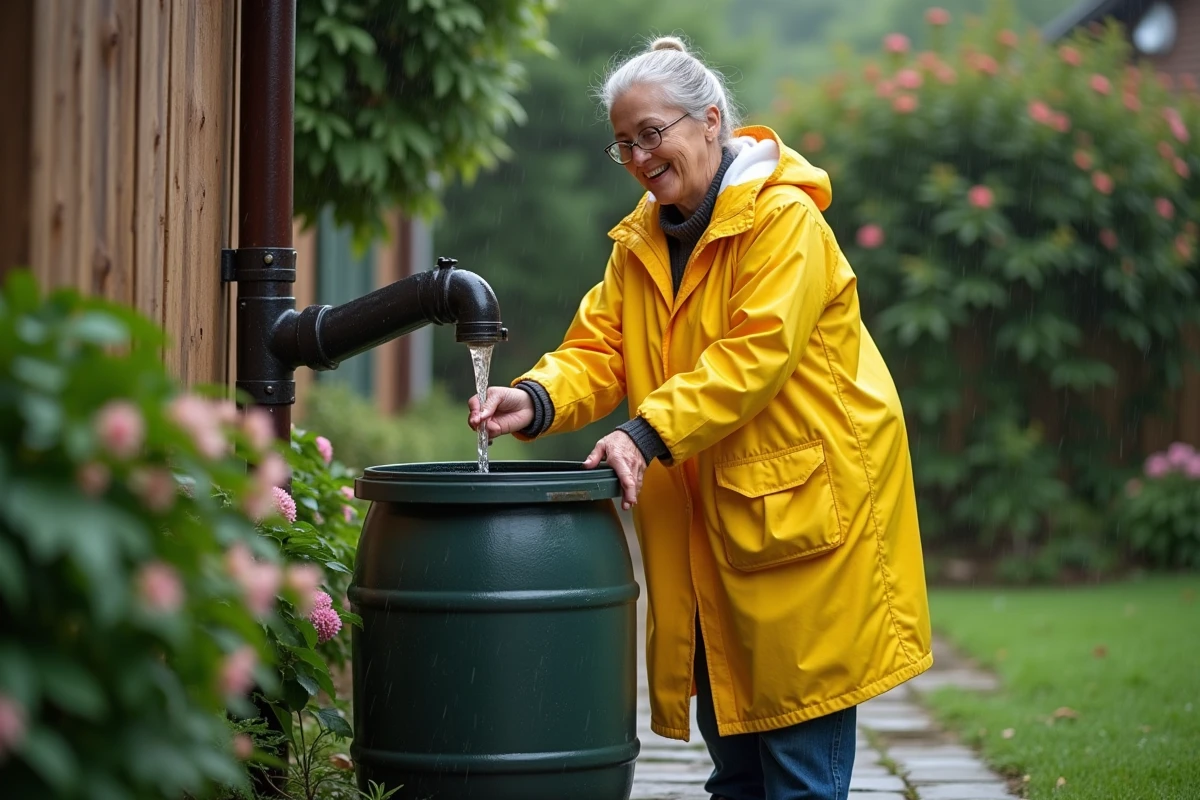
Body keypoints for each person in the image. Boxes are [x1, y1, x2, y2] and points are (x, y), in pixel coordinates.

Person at [467, 34, 932, 800]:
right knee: (738, 776)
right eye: (624, 144)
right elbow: (600, 346)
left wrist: (642, 432)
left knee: (799, 777)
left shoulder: (785, 223)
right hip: (708, 532)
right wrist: (538, 397)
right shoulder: (641, 244)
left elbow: (753, 356)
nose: (640, 157)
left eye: (652, 133)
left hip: (799, 524)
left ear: (711, 120)